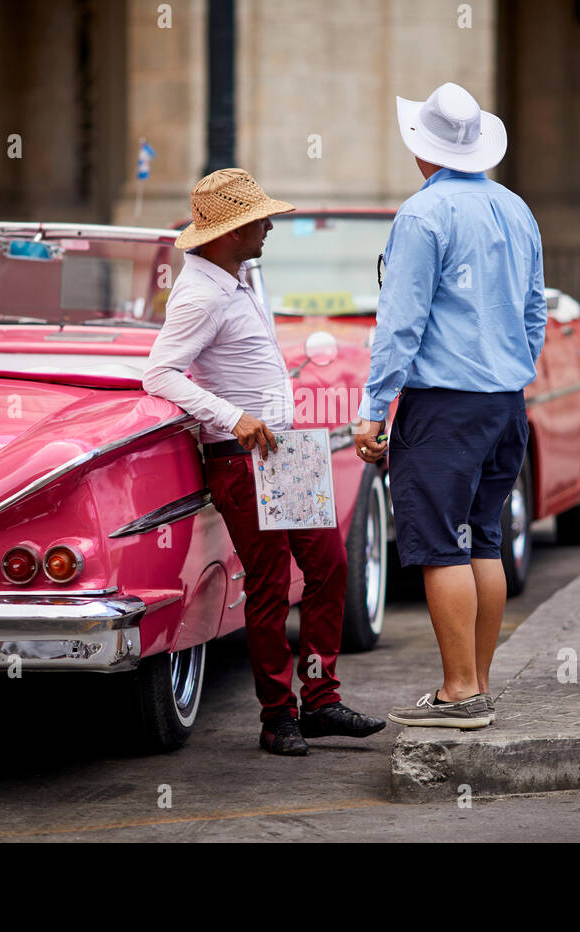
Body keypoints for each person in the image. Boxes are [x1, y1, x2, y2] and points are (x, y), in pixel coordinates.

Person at [143, 168, 385, 755]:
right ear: (231, 232)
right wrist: (232, 417)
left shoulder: (241, 275)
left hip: (284, 448)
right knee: (272, 583)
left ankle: (320, 699)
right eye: (260, 220)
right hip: (241, 453)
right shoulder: (200, 294)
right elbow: (159, 373)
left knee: (329, 567)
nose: (270, 226)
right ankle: (279, 718)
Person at [352, 82, 546, 730]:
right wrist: (512, 371)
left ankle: (459, 691)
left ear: (422, 149)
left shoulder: (421, 215)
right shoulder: (516, 209)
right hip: (504, 403)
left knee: (440, 547)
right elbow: (532, 313)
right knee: (481, 538)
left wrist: (376, 408)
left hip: (445, 407)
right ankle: (479, 683)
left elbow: (401, 323)